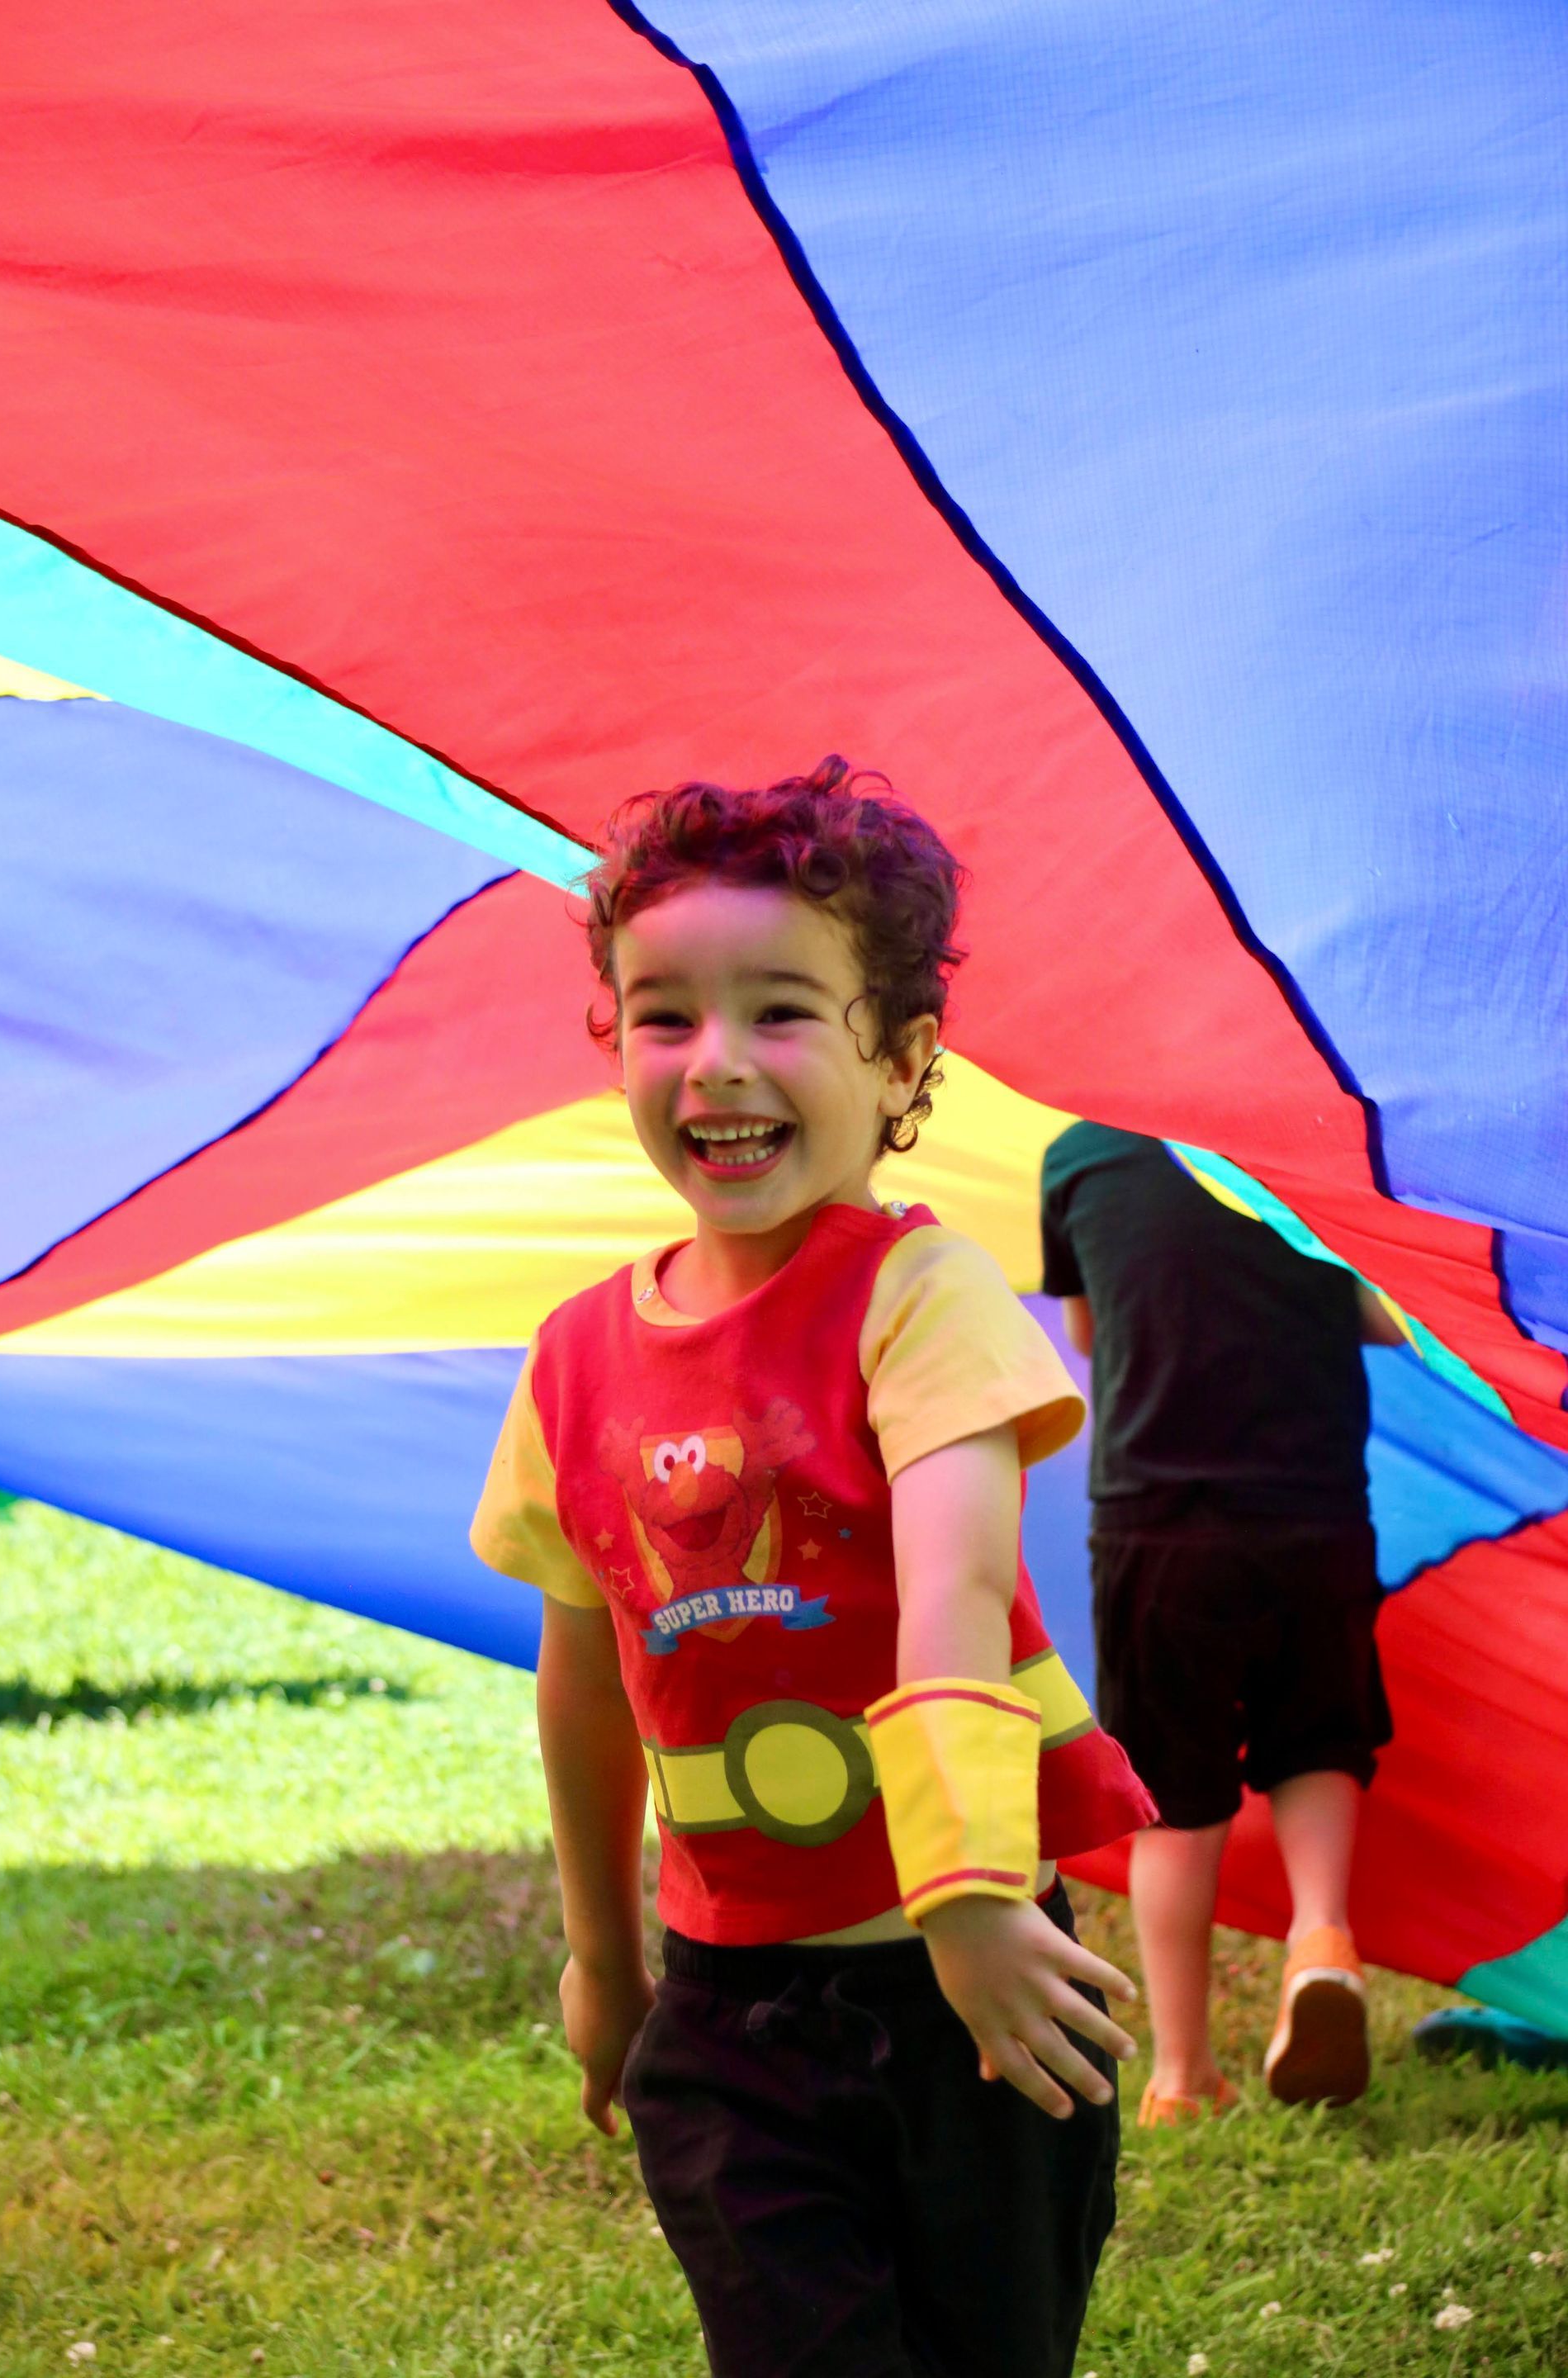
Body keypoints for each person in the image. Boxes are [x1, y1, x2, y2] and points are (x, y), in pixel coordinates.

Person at [471, 758, 1157, 2378]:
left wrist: (977, 1902)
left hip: (969, 1991)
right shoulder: (572, 1361)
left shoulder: (922, 1298)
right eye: (662, 1015)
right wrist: (603, 1958)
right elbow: (586, 1684)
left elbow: (955, 1600)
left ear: (902, 1058)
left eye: (781, 1012)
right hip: (727, 2019)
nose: (716, 1064)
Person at [1040, 1122, 1404, 2124]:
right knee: (1318, 1743)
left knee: (1174, 1798)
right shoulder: (1312, 1134)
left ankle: (1181, 2076)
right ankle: (1322, 1940)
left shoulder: (1078, 1157)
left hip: (1159, 1527)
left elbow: (1090, 1332)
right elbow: (1384, 1310)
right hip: (1316, 1508)